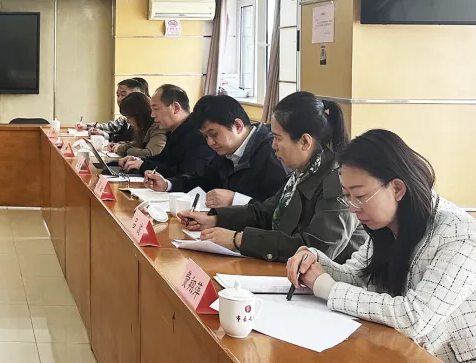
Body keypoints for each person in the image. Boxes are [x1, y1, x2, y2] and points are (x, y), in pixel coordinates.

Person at [287, 129, 476, 363]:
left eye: (360, 196)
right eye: (347, 196)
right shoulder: (386, 225)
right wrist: (314, 260)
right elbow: (356, 277)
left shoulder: (461, 234)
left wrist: (327, 288)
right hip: (402, 351)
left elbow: (414, 317)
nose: (353, 208)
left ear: (397, 188)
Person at [178, 92, 367, 263]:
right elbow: (266, 213)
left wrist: (238, 239)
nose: (273, 145)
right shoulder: (302, 171)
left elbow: (316, 248)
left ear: (305, 141)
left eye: (278, 138)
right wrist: (214, 219)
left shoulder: (339, 182)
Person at [143, 95, 288, 207]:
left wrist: (234, 199)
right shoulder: (226, 151)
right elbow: (203, 180)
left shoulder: (273, 153)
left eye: (213, 134)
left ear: (238, 126)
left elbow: (279, 210)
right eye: (205, 136)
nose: (210, 142)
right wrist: (168, 184)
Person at [119, 85, 215, 177]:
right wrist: (139, 160)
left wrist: (143, 165)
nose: (152, 115)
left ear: (175, 108)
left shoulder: (198, 134)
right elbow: (162, 159)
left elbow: (186, 174)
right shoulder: (175, 131)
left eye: (156, 109)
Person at [78, 77, 148, 142]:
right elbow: (112, 128)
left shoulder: (144, 119)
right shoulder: (125, 117)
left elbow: (131, 142)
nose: (119, 99)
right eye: (118, 95)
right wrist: (88, 127)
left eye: (123, 95)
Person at [106, 92, 167, 158]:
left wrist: (123, 149)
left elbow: (150, 153)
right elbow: (138, 144)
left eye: (129, 117)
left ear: (139, 115)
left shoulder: (158, 126)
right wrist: (120, 145)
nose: (127, 121)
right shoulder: (142, 127)